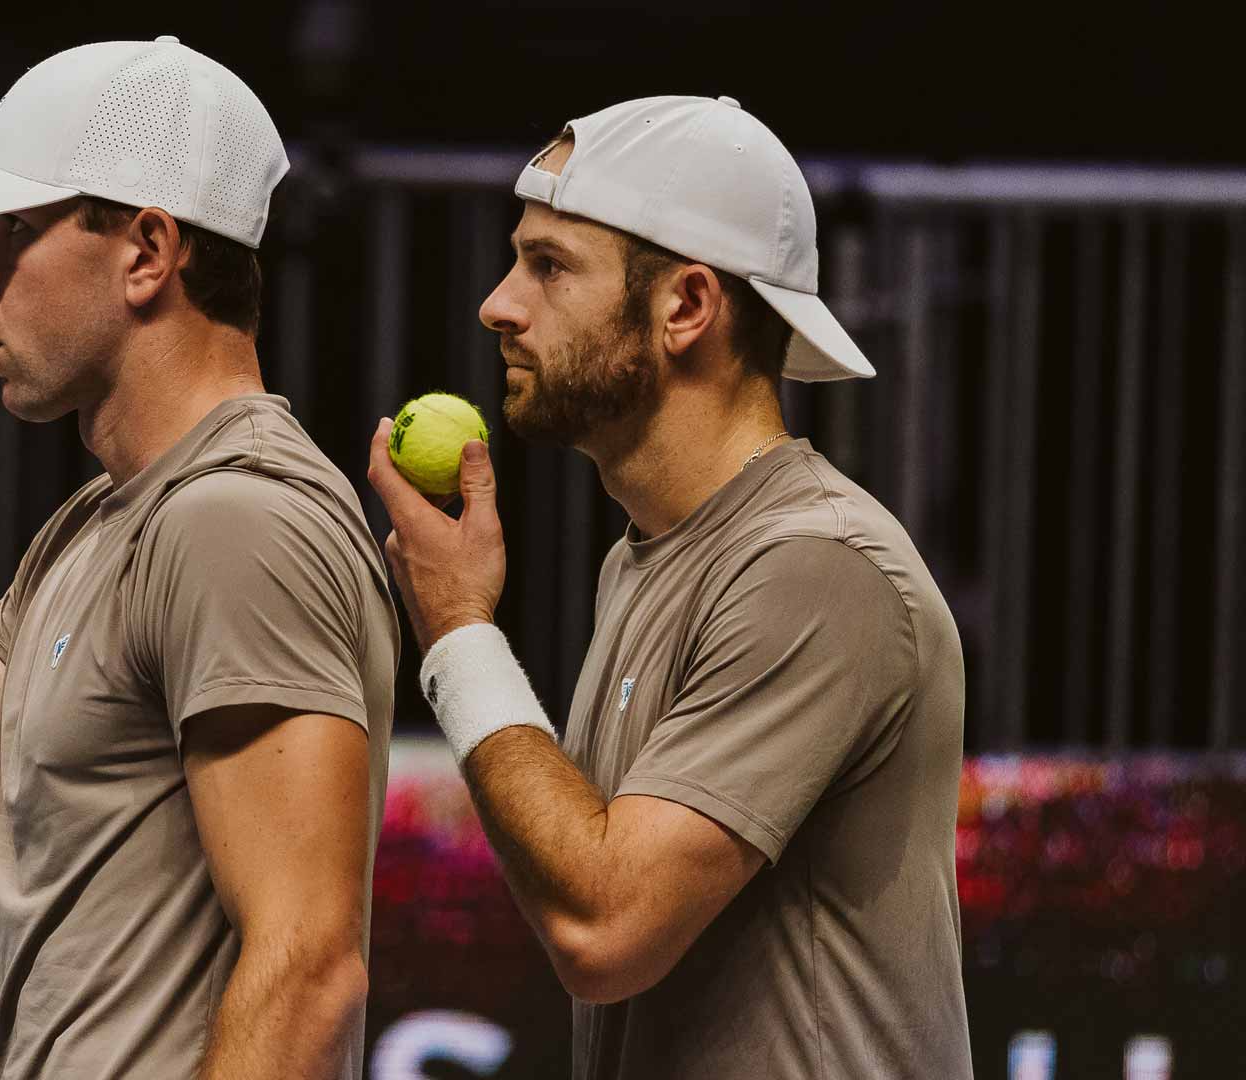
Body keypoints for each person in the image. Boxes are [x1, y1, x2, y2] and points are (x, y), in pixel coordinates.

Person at [0, 37, 399, 1079]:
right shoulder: (102, 527)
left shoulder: (238, 522)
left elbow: (310, 969)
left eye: (13, 230)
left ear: (147, 250)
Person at [365, 95, 972, 1078]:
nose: (498, 303)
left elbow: (605, 927)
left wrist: (460, 634)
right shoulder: (646, 558)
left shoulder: (820, 566)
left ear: (687, 305)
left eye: (550, 266)